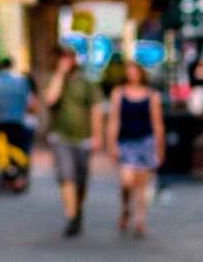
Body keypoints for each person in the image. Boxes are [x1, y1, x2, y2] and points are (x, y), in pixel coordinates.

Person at [43, 45, 103, 236]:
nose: (66, 62)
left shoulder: (85, 82)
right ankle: (71, 217)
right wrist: (60, 75)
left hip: (83, 138)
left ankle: (77, 210)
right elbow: (50, 99)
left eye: (69, 58)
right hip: (60, 136)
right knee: (66, 176)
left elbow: (95, 109)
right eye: (63, 58)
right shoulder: (52, 79)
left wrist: (97, 135)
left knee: (81, 180)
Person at [107, 61, 165, 238]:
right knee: (126, 181)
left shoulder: (151, 95)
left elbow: (157, 123)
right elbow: (114, 119)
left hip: (145, 141)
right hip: (125, 141)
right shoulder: (118, 93)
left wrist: (159, 147)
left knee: (141, 184)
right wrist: (111, 144)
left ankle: (139, 220)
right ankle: (126, 208)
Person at [0, 57, 37, 192]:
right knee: (18, 151)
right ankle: (19, 179)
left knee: (1, 152)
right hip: (17, 122)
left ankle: (4, 178)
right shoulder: (21, 82)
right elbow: (29, 103)